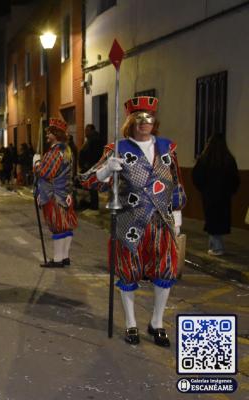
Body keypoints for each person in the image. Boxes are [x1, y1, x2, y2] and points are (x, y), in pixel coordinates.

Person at [79, 96, 186, 347]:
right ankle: (130, 323)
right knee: (128, 273)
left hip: (162, 222)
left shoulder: (167, 147)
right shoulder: (117, 149)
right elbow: (87, 180)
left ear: (154, 121)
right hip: (130, 222)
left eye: (148, 118)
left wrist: (177, 214)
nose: (144, 123)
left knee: (165, 270)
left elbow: (176, 182)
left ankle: (157, 323)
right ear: (130, 121)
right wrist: (106, 171)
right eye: (138, 118)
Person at [34, 118, 78, 267]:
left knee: (57, 225)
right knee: (66, 225)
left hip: (54, 195)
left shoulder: (56, 151)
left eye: (49, 133)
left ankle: (58, 259)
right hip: (66, 194)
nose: (47, 135)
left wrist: (36, 163)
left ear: (56, 134)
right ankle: (65, 257)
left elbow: (46, 173)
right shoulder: (67, 149)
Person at [192, 134, 240, 256]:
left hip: (209, 195)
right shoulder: (229, 159)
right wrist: (230, 191)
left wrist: (203, 189)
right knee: (221, 219)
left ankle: (216, 247)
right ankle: (215, 246)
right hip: (224, 195)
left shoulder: (204, 159)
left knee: (211, 219)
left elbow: (196, 176)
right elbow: (235, 178)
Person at [78, 124, 103, 210]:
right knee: (89, 185)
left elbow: (92, 154)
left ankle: (93, 205)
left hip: (91, 166)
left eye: (87, 130)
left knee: (92, 185)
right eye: (85, 130)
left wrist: (88, 164)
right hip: (89, 166)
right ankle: (91, 203)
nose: (85, 132)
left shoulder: (94, 139)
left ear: (91, 130)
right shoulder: (90, 139)